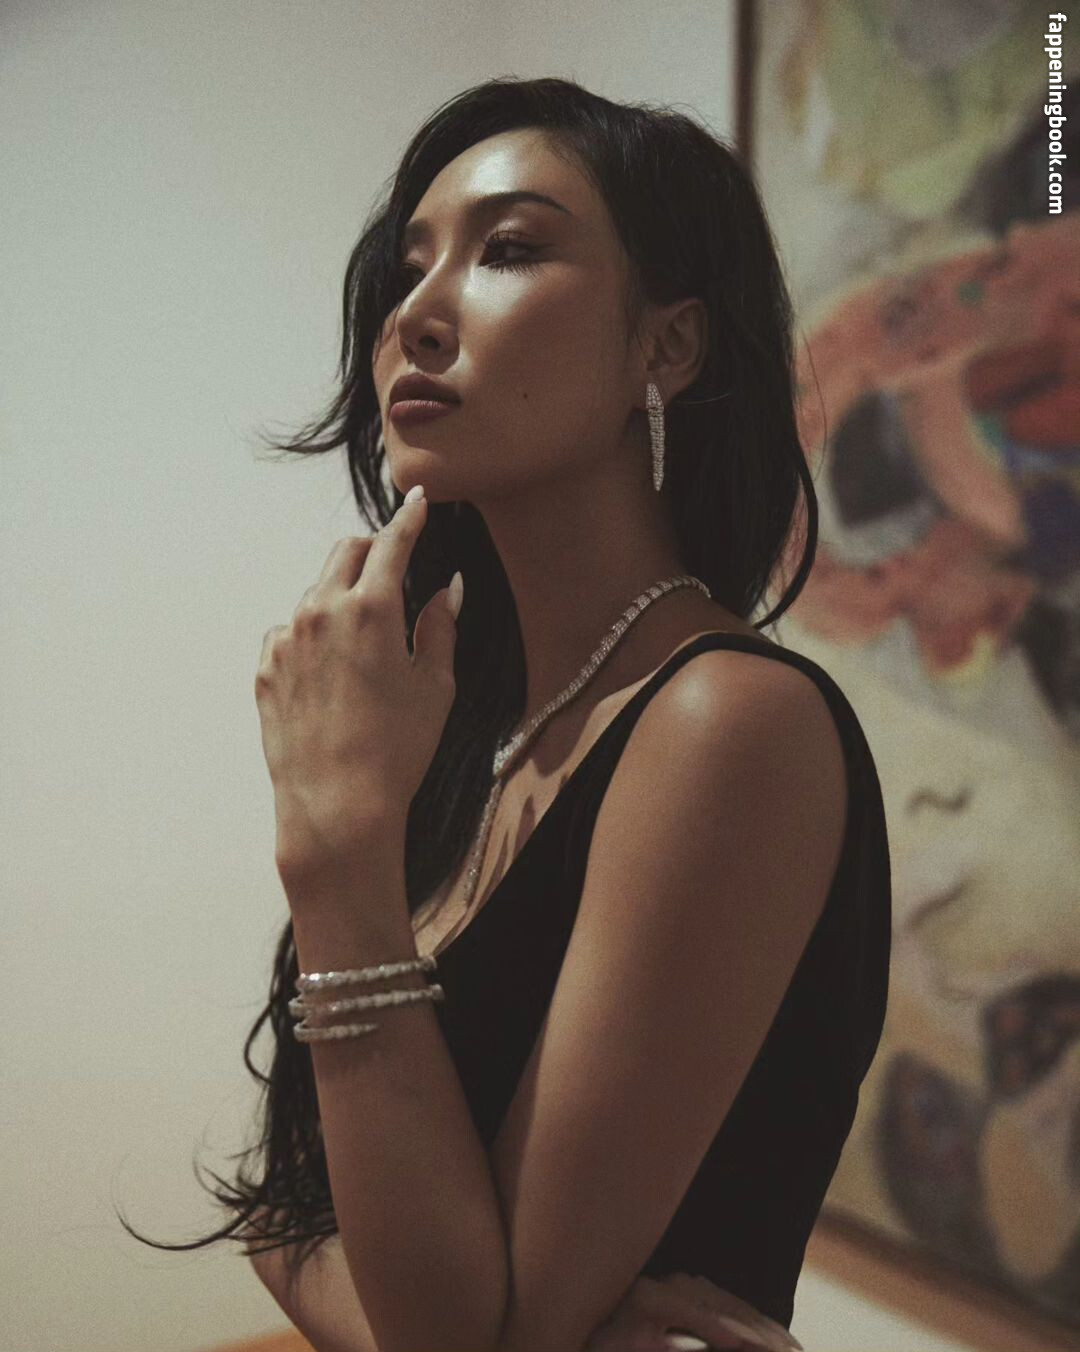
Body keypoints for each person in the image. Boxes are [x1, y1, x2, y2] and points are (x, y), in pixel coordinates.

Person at [120, 77, 890, 1352]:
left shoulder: (724, 723)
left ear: (668, 347)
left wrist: (332, 842)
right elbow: (283, 1205)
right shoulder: (469, 726)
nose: (414, 314)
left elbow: (436, 1324)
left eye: (511, 249)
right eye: (407, 268)